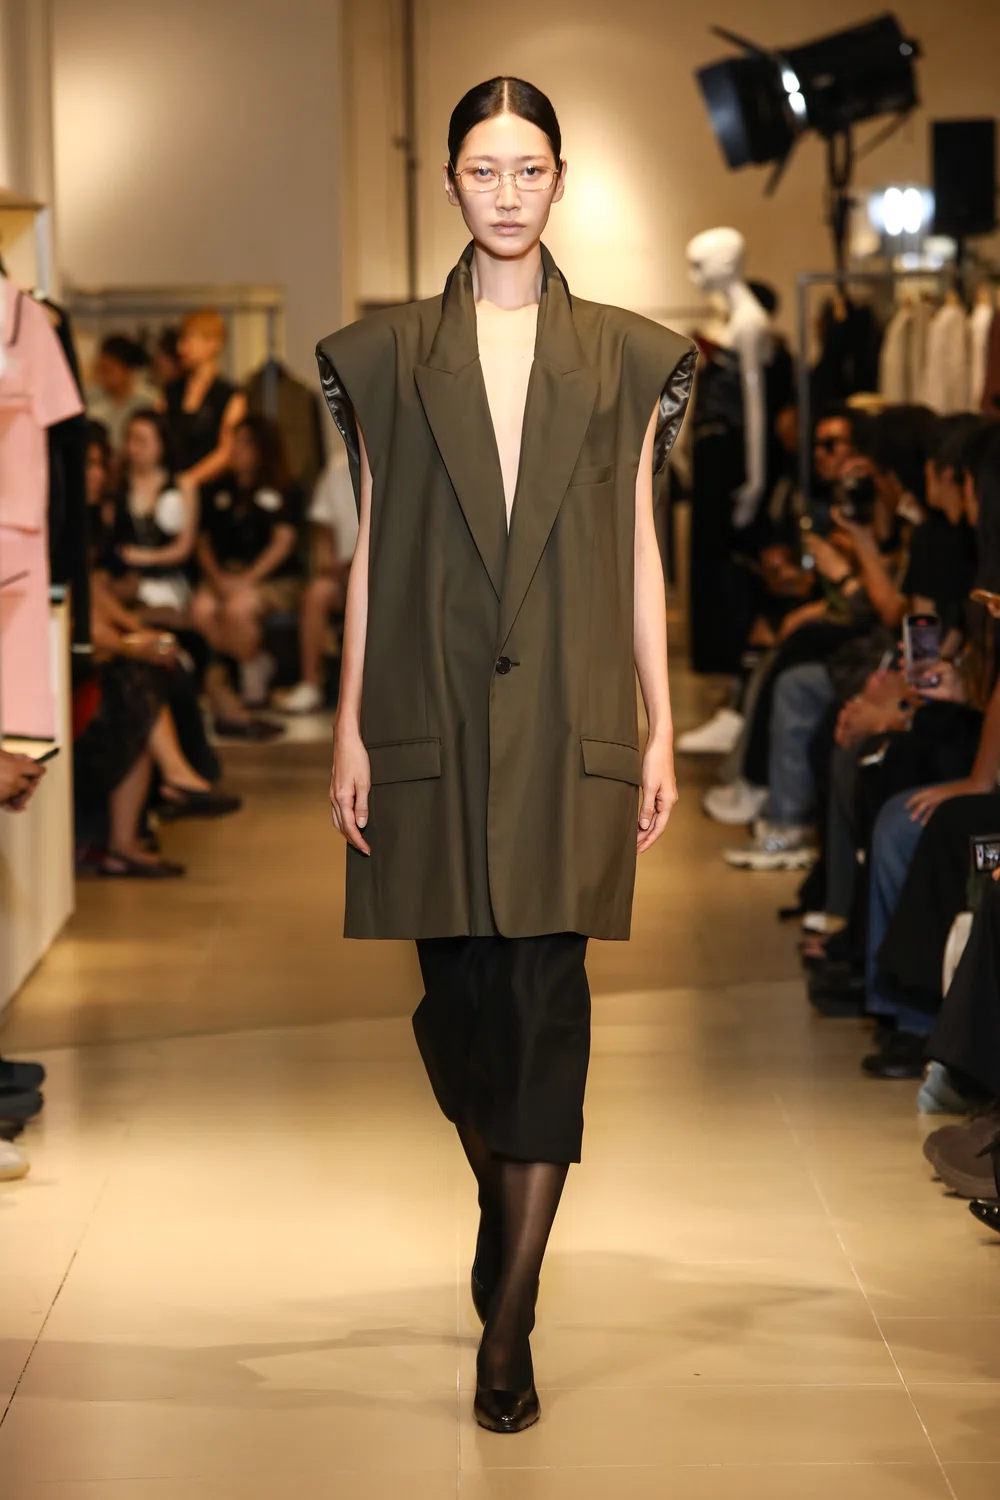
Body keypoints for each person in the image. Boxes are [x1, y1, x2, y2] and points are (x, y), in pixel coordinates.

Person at [317, 76, 694, 1434]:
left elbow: (638, 545)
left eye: (528, 168)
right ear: (451, 184)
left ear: (560, 180)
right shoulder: (381, 357)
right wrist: (349, 724)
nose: (507, 192)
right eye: (484, 169)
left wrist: (658, 719)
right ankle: (503, 1205)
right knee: (458, 1016)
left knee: (543, 1006)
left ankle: (508, 1324)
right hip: (428, 711)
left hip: (569, 717)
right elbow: (372, 551)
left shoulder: (633, 357)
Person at [192, 416, 302, 732]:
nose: (236, 450)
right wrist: (218, 579)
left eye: (244, 443)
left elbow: (283, 543)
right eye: (234, 442)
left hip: (271, 578)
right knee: (201, 609)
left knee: (238, 609)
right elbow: (203, 542)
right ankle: (243, 668)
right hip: (223, 575)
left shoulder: (286, 489)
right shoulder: (217, 489)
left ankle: (243, 672)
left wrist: (246, 580)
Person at [273, 447, 358, 714]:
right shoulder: (337, 470)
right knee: (316, 594)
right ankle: (311, 684)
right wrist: (335, 566)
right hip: (345, 573)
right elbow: (324, 539)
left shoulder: (397, 464)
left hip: (386, 570)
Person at [103, 409, 198, 623]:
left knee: (161, 609)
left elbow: (184, 547)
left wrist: (144, 557)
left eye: (142, 440)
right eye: (130, 439)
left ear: (162, 444)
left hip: (168, 577)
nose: (133, 447)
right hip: (125, 576)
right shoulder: (117, 483)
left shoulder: (182, 485)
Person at [159, 309, 246, 490]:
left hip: (213, 490)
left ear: (212, 343)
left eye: (188, 340)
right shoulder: (171, 391)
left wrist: (190, 480)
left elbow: (226, 451)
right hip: (171, 487)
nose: (181, 348)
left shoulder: (229, 395)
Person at [86, 334, 157, 453]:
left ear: (127, 370)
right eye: (100, 369)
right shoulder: (91, 397)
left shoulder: (147, 400)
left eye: (109, 369)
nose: (103, 375)